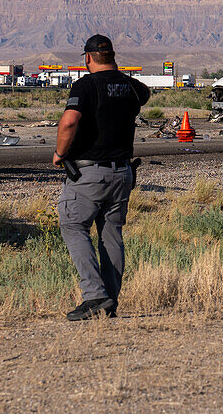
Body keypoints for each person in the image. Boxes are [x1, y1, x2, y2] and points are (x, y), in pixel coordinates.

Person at [53, 34, 150, 321]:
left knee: (72, 225)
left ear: (87, 58)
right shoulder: (132, 88)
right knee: (111, 235)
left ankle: (94, 296)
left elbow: (69, 121)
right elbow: (142, 92)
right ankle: (110, 299)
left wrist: (59, 152)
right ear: (112, 56)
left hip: (89, 173)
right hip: (122, 172)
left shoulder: (85, 85)